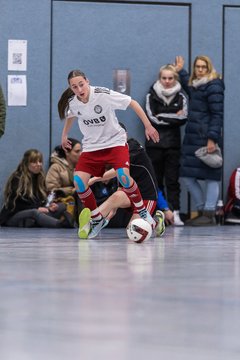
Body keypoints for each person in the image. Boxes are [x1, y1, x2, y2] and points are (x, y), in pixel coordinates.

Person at [58, 69, 160, 239]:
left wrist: (148, 126)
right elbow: (70, 115)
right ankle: (97, 218)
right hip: (92, 147)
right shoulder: (74, 102)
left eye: (81, 84)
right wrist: (64, 135)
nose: (79, 89)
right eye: (74, 87)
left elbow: (132, 103)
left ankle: (144, 213)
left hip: (115, 144)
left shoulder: (102, 95)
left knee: (124, 179)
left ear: (87, 81)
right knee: (78, 182)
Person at [174, 55, 224, 226]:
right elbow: (191, 90)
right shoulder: (197, 85)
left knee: (211, 177)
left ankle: (209, 214)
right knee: (187, 176)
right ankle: (202, 211)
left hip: (206, 138)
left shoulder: (214, 85)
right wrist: (181, 71)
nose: (200, 70)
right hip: (193, 137)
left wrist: (212, 139)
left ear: (209, 68)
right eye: (198, 67)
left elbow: (217, 115)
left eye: (204, 67)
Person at [89, 135, 165, 236]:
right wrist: (114, 208)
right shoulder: (116, 153)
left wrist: (94, 179)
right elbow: (121, 183)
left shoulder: (133, 146)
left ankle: (156, 223)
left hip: (146, 195)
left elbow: (118, 170)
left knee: (134, 231)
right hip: (131, 193)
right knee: (116, 196)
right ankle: (91, 221)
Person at [145, 64, 188, 226]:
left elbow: (183, 118)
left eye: (171, 78)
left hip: (173, 145)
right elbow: (151, 118)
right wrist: (172, 116)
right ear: (159, 78)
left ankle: (175, 212)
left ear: (175, 79)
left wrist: (162, 115)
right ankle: (161, 212)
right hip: (154, 145)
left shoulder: (181, 97)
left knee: (172, 180)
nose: (167, 81)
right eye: (164, 78)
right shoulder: (151, 95)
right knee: (155, 180)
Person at [0, 149, 74, 228]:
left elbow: (39, 200)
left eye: (40, 161)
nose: (38, 164)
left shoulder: (39, 178)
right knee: (34, 213)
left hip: (32, 212)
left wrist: (49, 205)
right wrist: (37, 208)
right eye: (34, 162)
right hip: (13, 216)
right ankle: (59, 224)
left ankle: (43, 221)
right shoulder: (17, 178)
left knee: (61, 206)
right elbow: (16, 204)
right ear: (26, 163)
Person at [46, 138, 82, 222]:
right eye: (77, 151)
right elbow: (51, 189)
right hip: (59, 202)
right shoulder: (56, 167)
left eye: (81, 151)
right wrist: (71, 190)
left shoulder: (81, 168)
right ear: (67, 152)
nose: (80, 154)